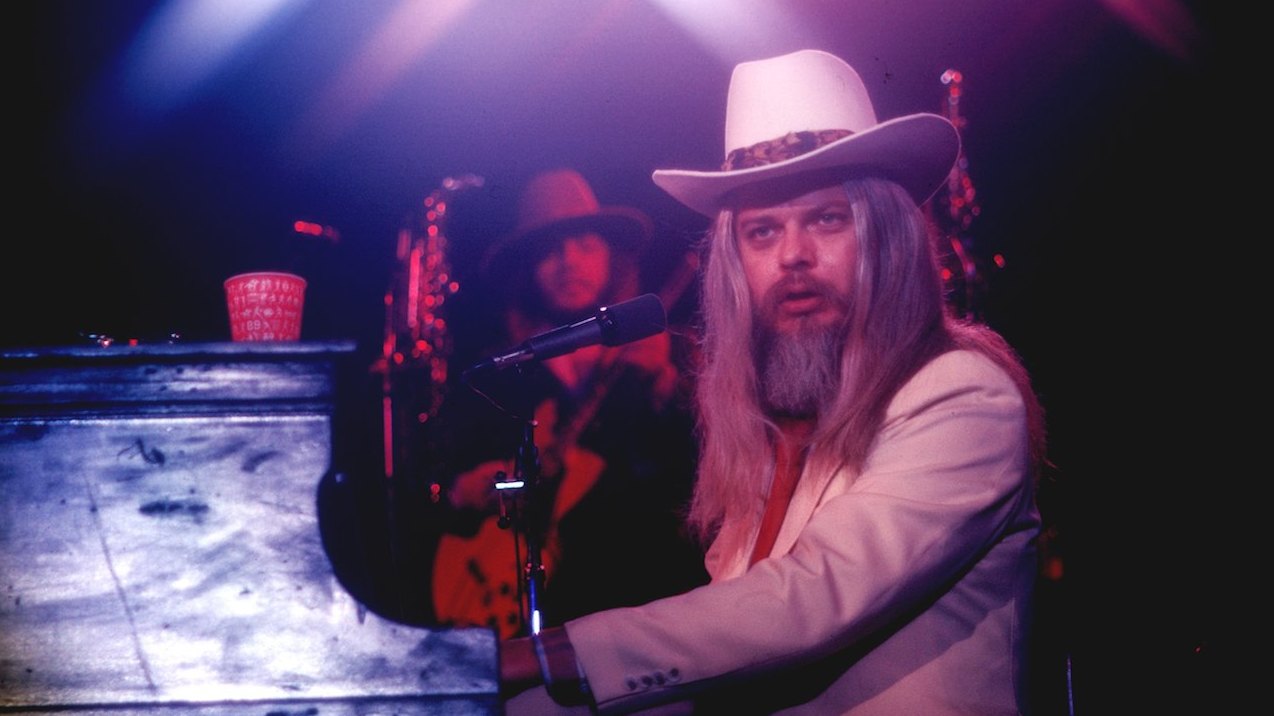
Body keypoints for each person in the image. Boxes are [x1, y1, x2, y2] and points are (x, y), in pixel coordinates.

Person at [499, 49, 1049, 715]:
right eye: (763, 232)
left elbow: (807, 600)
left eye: (826, 219)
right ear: (737, 271)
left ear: (889, 239)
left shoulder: (960, 393)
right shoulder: (771, 423)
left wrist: (555, 652)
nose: (792, 255)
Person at [424, 168, 708, 639]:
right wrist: (472, 488)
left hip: (647, 609)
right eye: (550, 251)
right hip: (526, 614)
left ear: (611, 258)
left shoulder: (669, 352)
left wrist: (669, 389)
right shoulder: (495, 372)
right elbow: (446, 485)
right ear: (527, 271)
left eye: (586, 246)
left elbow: (702, 476)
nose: (568, 262)